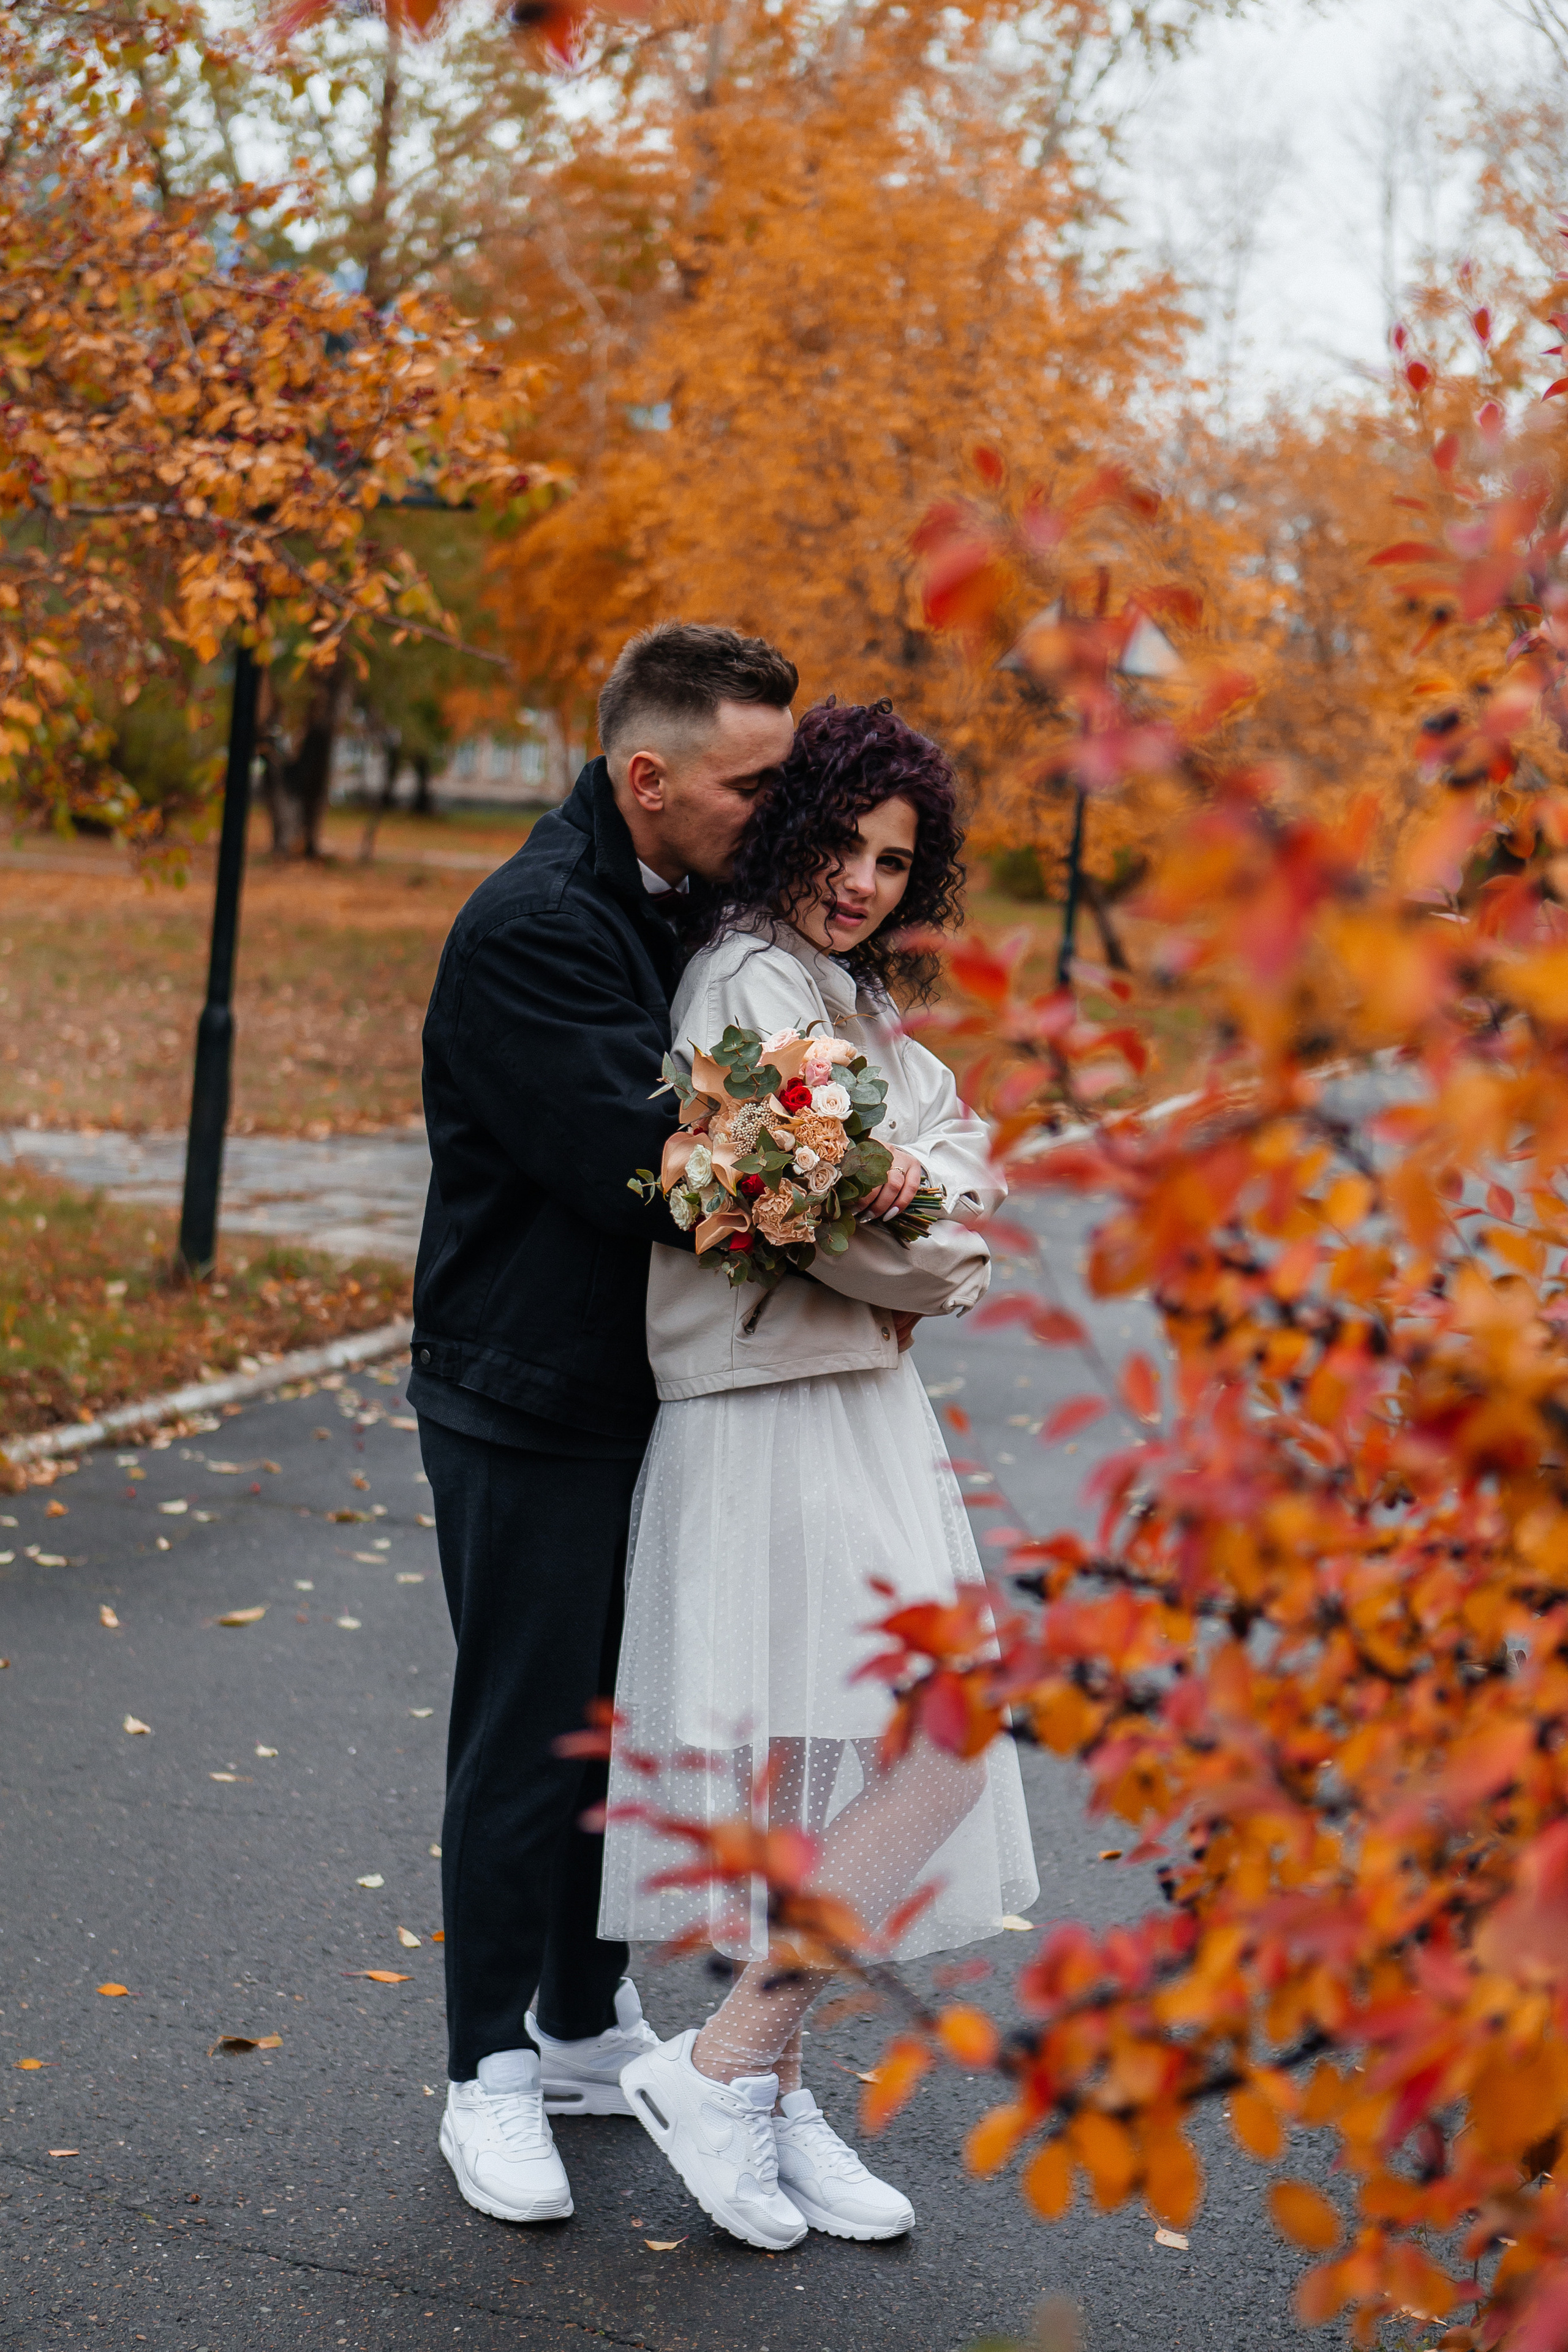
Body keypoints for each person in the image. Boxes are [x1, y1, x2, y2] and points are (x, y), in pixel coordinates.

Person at [603, 699, 1039, 2251]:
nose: (860, 880)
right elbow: (846, 1225)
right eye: (842, 844)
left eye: (891, 860)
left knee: (822, 1768)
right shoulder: (740, 977)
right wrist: (937, 1233)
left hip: (849, 1401)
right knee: (930, 1742)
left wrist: (930, 1195)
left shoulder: (845, 991)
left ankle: (760, 2082)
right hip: (772, 1406)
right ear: (789, 828)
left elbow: (951, 1150)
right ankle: (721, 2065)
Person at [410, 622, 797, 2224]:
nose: (775, 815)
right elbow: (643, 1167)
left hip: (644, 1391)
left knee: (617, 1730)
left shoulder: (699, 899)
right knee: (526, 1732)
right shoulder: (533, 925)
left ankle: (580, 2023)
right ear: (647, 777)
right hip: (526, 1391)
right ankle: (486, 2073)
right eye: (749, 784)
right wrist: (850, 1196)